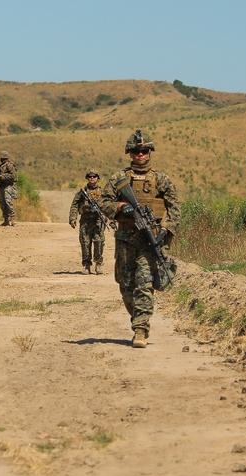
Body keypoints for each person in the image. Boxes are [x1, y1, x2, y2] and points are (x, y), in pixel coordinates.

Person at [99, 130, 180, 348]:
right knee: (126, 286)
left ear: (149, 152)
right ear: (130, 153)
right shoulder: (119, 179)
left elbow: (174, 208)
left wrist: (165, 229)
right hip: (125, 241)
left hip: (149, 240)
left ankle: (140, 330)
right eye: (136, 151)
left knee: (144, 284)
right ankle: (137, 318)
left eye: (144, 150)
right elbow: (103, 202)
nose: (140, 154)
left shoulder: (161, 179)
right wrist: (120, 207)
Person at [68, 169, 107, 275]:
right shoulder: (82, 193)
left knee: (99, 243)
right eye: (90, 176)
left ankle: (98, 265)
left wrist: (109, 217)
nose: (92, 178)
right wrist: (72, 218)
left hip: (98, 221)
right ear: (87, 178)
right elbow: (75, 205)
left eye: (94, 176)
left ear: (97, 178)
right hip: (85, 221)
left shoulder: (103, 192)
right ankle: (86, 265)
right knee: (85, 243)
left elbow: (109, 205)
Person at [0, 150, 18, 226]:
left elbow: (13, 176)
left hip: (8, 186)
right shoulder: (1, 166)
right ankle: (6, 220)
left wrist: (3, 176)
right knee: (2, 203)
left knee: (8, 202)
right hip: (1, 186)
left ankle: (11, 219)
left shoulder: (9, 165)